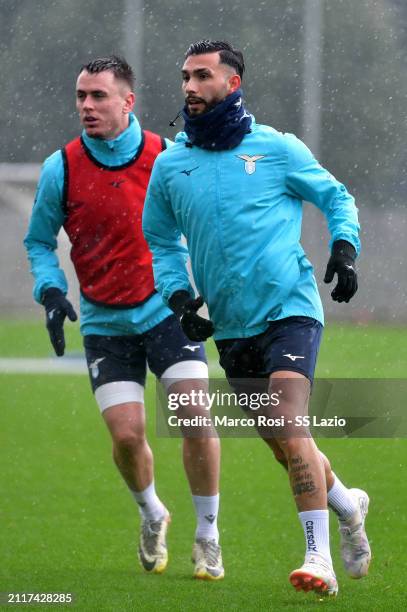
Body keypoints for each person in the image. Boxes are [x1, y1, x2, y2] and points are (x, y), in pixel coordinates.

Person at [142, 40, 371, 597]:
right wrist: (178, 297)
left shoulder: (275, 148)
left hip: (290, 309)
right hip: (232, 326)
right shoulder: (172, 165)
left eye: (202, 77)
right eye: (185, 77)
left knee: (291, 425)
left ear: (233, 83)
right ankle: (346, 502)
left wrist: (344, 247)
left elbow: (337, 197)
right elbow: (160, 240)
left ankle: (319, 559)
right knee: (282, 441)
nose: (190, 88)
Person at [24, 55, 224, 581]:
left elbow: (205, 218)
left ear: (127, 101)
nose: (87, 106)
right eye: (81, 97)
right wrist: (49, 289)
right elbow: (39, 241)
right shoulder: (60, 168)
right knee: (129, 437)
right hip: (104, 323)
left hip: (166, 312)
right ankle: (152, 512)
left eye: (98, 96)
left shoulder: (167, 155)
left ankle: (208, 534)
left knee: (193, 417)